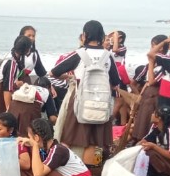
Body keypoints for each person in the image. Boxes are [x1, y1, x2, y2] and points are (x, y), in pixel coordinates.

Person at [50, 20, 123, 166]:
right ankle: (93, 172)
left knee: (69, 137)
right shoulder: (107, 55)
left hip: (79, 100)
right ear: (102, 36)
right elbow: (116, 83)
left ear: (84, 35)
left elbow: (53, 72)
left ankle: (66, 168)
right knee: (97, 143)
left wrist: (70, 77)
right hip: (101, 103)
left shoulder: (79, 54)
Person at [0, 35, 33, 132]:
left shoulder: (11, 58)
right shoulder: (12, 63)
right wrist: (9, 110)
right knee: (0, 125)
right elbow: (7, 89)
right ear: (26, 49)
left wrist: (16, 84)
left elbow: (6, 81)